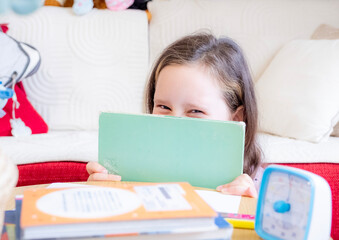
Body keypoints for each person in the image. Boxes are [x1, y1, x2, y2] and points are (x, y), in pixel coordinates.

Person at [86, 32, 262, 198]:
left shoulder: (257, 186)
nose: (174, 122)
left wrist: (247, 205)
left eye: (195, 111)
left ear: (236, 118)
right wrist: (98, 192)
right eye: (163, 106)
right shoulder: (128, 167)